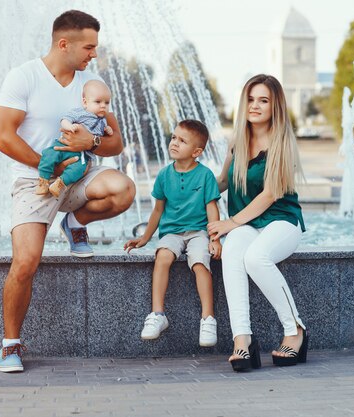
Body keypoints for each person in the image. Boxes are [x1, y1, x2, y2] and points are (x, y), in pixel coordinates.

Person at [0, 10, 135, 373]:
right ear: (63, 44)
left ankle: (75, 222)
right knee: (25, 263)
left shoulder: (92, 84)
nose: (93, 54)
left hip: (78, 176)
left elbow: (115, 143)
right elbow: (3, 137)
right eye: (89, 47)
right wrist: (52, 166)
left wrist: (93, 140)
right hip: (34, 181)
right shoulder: (23, 77)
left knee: (123, 189)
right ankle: (10, 345)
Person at [208, 74, 308, 372]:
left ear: (274, 105)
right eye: (251, 99)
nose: (255, 105)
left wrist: (230, 222)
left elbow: (270, 195)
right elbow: (223, 182)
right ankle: (243, 341)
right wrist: (192, 185)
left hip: (282, 221)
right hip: (247, 225)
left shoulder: (283, 142)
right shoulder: (237, 141)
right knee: (233, 252)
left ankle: (295, 330)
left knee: (256, 257)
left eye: (263, 100)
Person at [124, 120, 222, 347]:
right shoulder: (164, 175)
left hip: (198, 232)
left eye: (182, 141)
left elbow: (211, 208)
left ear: (196, 152)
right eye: (174, 138)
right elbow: (158, 210)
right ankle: (158, 315)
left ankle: (208, 318)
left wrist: (215, 239)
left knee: (199, 262)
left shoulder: (205, 175)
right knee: (163, 257)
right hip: (172, 233)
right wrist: (145, 238)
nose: (175, 143)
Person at [36, 79, 114, 197]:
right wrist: (69, 126)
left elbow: (104, 135)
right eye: (98, 102)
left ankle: (60, 183)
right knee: (49, 154)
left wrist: (108, 130)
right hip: (64, 146)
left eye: (107, 103)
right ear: (85, 102)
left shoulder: (103, 121)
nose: (103, 106)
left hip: (82, 155)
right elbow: (64, 120)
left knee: (79, 170)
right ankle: (43, 180)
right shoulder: (80, 113)